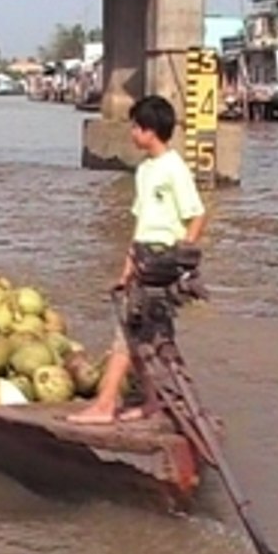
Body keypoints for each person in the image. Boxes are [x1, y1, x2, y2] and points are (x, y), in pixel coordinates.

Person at [67, 95, 207, 425]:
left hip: (163, 264)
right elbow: (140, 226)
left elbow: (197, 215)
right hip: (143, 259)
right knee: (148, 337)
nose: (131, 132)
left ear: (149, 131)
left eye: (135, 126)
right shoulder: (144, 171)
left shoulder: (174, 169)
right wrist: (125, 271)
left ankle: (104, 406)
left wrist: (181, 257)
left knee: (127, 334)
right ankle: (153, 402)